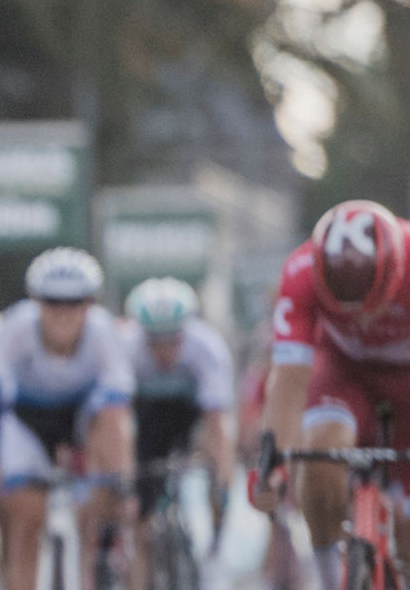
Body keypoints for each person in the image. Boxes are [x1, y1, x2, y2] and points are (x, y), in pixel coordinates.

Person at [249, 199, 410, 590]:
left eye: (370, 306)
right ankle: (326, 576)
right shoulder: (301, 271)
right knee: (320, 452)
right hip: (343, 370)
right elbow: (289, 378)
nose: (359, 318)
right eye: (345, 309)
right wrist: (272, 460)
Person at [0, 247, 134, 590]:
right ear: (36, 302)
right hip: (27, 423)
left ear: (89, 305)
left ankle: (100, 553)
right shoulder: (15, 326)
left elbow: (116, 414)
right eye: (52, 302)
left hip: (81, 422)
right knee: (26, 520)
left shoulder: (104, 334)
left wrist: (116, 480)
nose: (63, 312)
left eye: (74, 303)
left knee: (98, 502)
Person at [121, 277, 235, 590]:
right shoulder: (127, 348)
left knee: (219, 484)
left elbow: (217, 423)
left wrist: (222, 477)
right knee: (139, 523)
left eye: (172, 339)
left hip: (189, 419)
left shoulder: (206, 347)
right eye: (154, 341)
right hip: (145, 423)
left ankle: (213, 553)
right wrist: (127, 479)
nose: (163, 350)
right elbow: (119, 422)